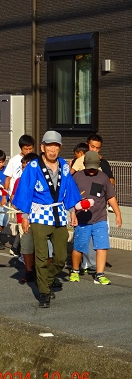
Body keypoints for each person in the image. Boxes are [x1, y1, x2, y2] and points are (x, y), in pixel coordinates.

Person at [12, 130, 82, 308]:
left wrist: (72, 210)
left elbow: (69, 189)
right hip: (39, 215)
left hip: (58, 215)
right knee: (42, 257)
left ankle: (44, 278)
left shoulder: (64, 166)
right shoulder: (33, 166)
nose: (52, 150)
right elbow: (26, 191)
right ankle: (44, 292)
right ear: (42, 147)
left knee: (59, 257)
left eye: (56, 147)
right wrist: (25, 216)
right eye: (49, 146)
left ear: (59, 148)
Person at [69, 151, 122, 285]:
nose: (92, 170)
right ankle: (75, 271)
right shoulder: (77, 177)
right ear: (84, 164)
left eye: (94, 167)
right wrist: (73, 214)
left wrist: (118, 214)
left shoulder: (103, 177)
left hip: (100, 218)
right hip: (82, 219)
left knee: (102, 246)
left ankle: (100, 274)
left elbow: (111, 197)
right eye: (89, 167)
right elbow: (71, 198)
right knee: (79, 246)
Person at [11, 153, 38, 282]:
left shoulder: (42, 181)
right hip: (23, 219)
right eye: (22, 168)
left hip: (40, 219)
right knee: (26, 246)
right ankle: (29, 271)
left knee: (41, 247)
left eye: (26, 168)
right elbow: (14, 200)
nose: (24, 170)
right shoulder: (18, 181)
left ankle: (42, 273)